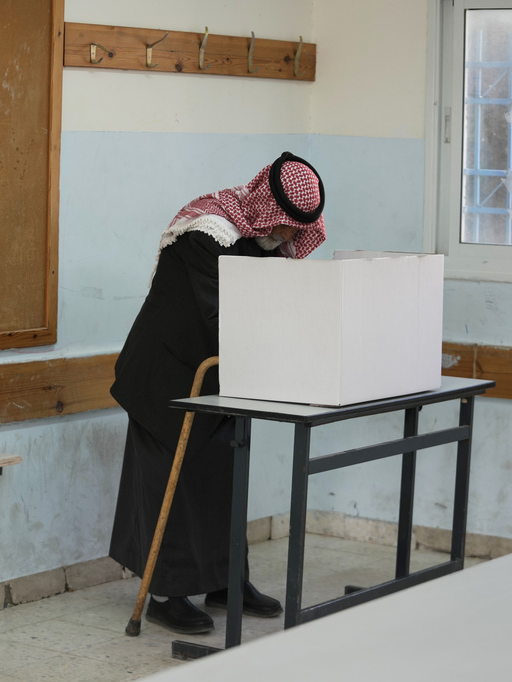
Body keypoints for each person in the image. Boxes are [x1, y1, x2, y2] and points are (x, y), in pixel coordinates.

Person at [108, 152, 327, 634]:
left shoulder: (264, 241)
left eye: (297, 229)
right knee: (171, 480)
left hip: (219, 378)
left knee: (224, 477)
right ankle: (167, 591)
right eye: (286, 225)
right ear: (269, 207)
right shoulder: (205, 234)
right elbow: (221, 314)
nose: (289, 237)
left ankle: (227, 581)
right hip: (165, 374)